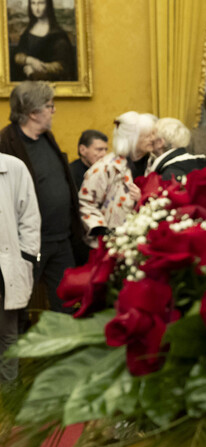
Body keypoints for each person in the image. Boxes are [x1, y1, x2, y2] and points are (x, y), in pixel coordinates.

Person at [0, 81, 83, 311]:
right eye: (49, 105)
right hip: (28, 245)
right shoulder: (6, 143)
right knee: (17, 307)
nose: (54, 110)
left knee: (67, 306)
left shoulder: (47, 137)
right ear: (33, 112)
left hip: (61, 239)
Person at [78, 111, 157, 247]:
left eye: (153, 134)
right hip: (112, 244)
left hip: (147, 240)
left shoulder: (155, 163)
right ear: (132, 138)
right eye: (147, 136)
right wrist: (104, 232)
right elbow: (86, 203)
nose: (152, 139)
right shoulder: (106, 167)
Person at [0, 154, 40, 382]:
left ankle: (8, 401)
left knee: (7, 334)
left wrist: (26, 255)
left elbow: (30, 217)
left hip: (5, 265)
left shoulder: (13, 167)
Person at [10, 0, 76, 82]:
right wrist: (29, 60)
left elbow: (62, 66)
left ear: (48, 5)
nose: (36, 8)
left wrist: (38, 70)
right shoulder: (28, 31)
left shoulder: (57, 34)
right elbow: (17, 55)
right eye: (33, 3)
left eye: (41, 3)